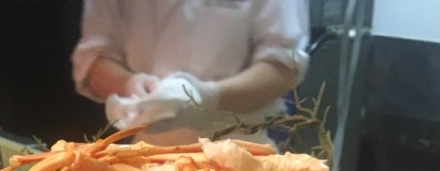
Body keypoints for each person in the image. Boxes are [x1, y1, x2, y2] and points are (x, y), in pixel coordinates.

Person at [73, 0, 310, 144]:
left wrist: (207, 97)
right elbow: (93, 57)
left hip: (239, 146)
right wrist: (129, 84)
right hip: (147, 151)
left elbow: (283, 65)